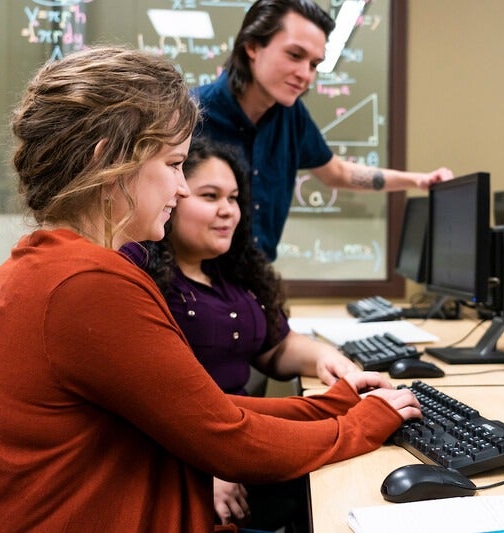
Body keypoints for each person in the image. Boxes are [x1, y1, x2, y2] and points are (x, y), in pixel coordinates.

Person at [0, 46, 421, 531]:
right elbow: (227, 439)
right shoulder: (88, 282)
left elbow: (198, 410)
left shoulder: (38, 264)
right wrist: (361, 425)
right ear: (106, 161)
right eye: (173, 165)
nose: (183, 188)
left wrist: (334, 405)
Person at [123, 137, 361, 527]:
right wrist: (205, 468)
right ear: (174, 196)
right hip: (195, 459)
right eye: (210, 196)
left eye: (233, 199)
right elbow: (147, 411)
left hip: (240, 444)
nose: (227, 211)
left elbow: (275, 347)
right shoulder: (144, 284)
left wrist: (326, 358)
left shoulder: (228, 273)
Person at [192, 0, 454, 260]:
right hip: (193, 284)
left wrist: (417, 180)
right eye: (295, 55)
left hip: (254, 281)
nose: (305, 74)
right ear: (252, 47)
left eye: (314, 64)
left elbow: (336, 173)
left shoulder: (291, 115)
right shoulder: (192, 115)